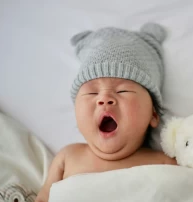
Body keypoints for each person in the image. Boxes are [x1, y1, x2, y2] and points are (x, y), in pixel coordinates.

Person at [36, 23, 176, 202]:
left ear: (153, 115)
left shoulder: (165, 164)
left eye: (122, 91)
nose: (104, 99)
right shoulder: (67, 158)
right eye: (92, 92)